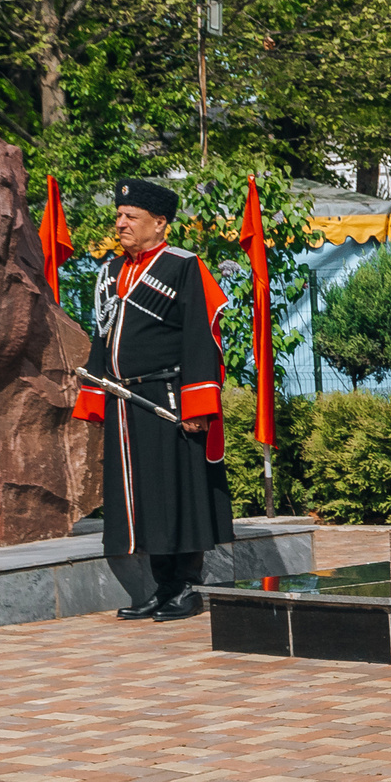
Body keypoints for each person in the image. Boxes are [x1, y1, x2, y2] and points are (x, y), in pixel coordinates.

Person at [73, 179, 234, 621]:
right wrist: (95, 395)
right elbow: (102, 338)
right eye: (119, 215)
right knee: (138, 498)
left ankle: (182, 587)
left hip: (168, 400)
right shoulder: (108, 272)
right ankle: (158, 588)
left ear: (159, 223)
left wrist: (197, 405)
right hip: (125, 401)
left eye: (132, 216)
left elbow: (202, 339)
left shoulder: (183, 267)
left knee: (173, 494)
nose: (120, 223)